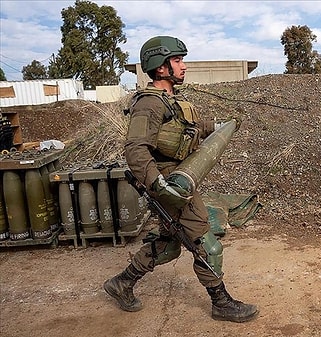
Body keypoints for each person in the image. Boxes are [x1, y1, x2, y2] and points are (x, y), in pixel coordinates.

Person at [103, 36, 258, 323]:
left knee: (168, 245)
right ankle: (220, 302)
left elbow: (191, 128)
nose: (183, 66)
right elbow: (136, 149)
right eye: (177, 61)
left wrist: (222, 125)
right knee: (206, 244)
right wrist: (159, 186)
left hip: (178, 181)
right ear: (160, 67)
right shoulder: (149, 104)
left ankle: (122, 283)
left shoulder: (171, 101)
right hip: (171, 187)